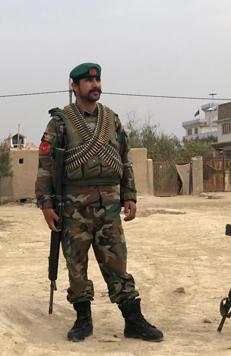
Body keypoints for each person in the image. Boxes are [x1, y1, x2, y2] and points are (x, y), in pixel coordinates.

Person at [35, 63, 163, 342]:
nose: (95, 85)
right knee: (76, 266)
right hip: (73, 208)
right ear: (74, 85)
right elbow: (45, 165)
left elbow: (124, 159)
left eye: (98, 79)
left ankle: (133, 320)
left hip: (109, 206)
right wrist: (46, 204)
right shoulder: (59, 122)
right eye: (88, 81)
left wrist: (129, 195)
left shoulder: (111, 119)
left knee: (117, 263)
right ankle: (83, 320)